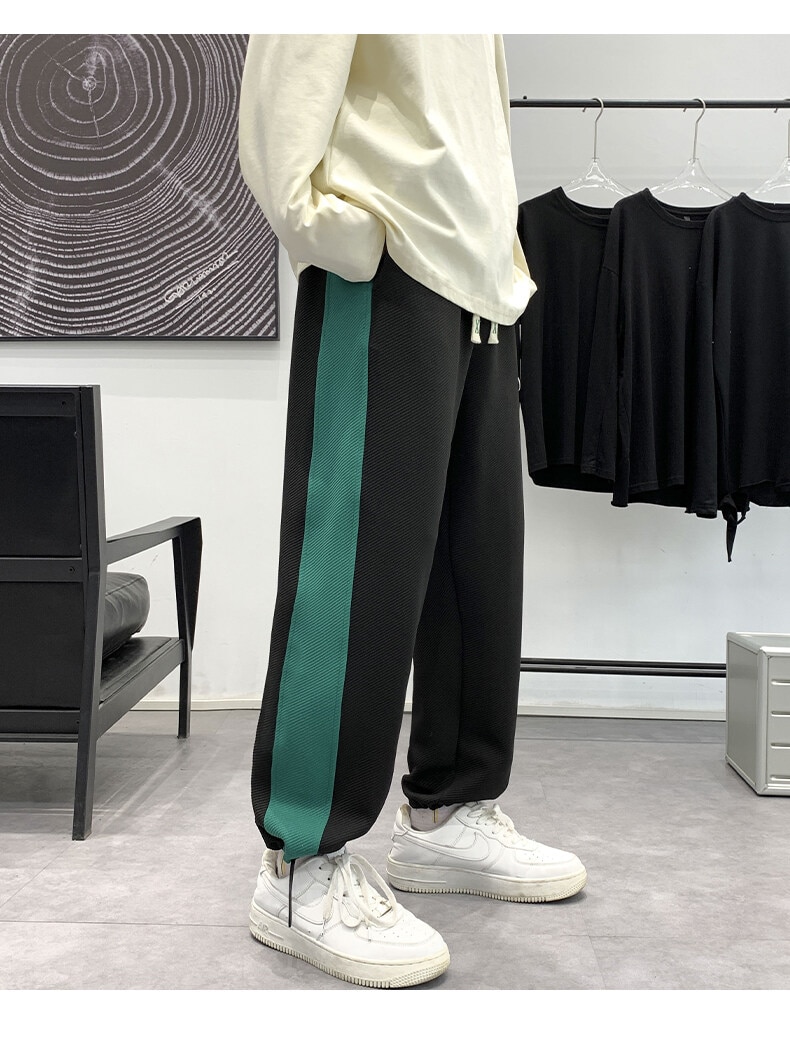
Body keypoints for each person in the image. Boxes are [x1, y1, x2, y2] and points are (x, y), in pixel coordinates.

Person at [238, 33, 587, 989]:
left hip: (482, 284)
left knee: (479, 569)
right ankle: (299, 860)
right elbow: (284, 83)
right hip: (388, 267)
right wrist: (332, 230)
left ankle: (447, 810)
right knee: (354, 571)